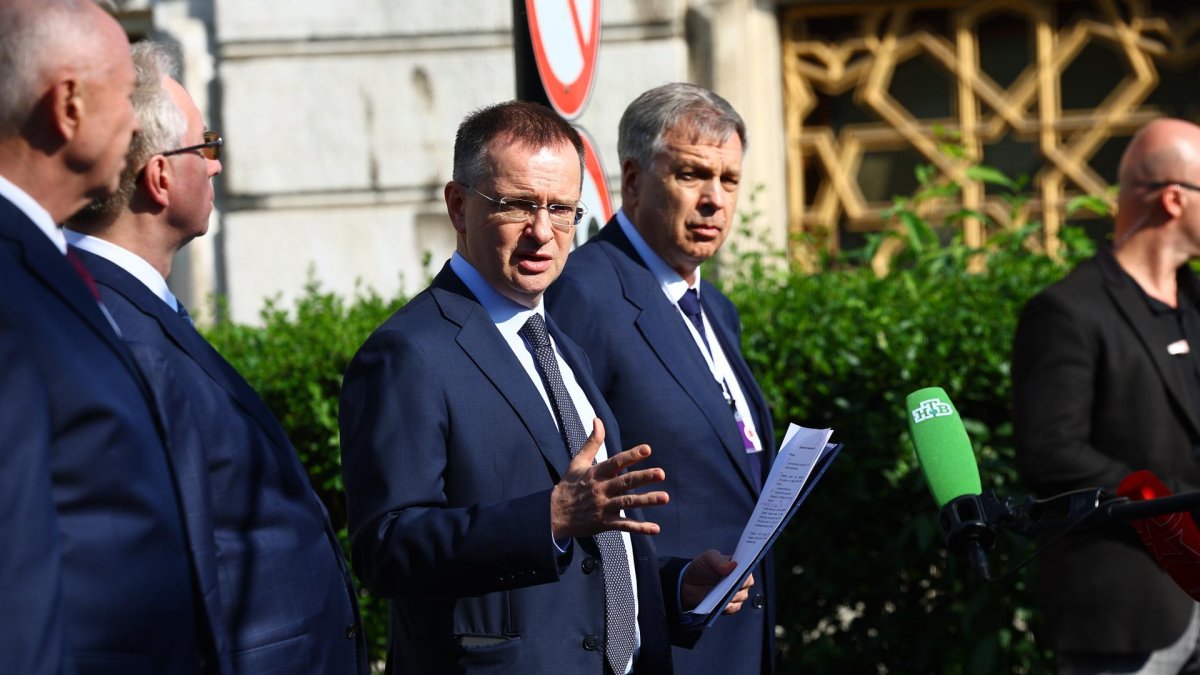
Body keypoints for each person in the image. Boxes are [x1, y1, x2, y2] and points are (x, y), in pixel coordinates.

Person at [340, 100, 750, 674]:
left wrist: (676, 583)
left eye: (561, 210)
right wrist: (549, 518)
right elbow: (386, 549)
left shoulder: (556, 339)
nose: (542, 232)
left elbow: (590, 556)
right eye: (516, 205)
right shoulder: (408, 352)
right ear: (459, 207)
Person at [64, 42, 367, 674]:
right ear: (160, 177)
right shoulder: (118, 329)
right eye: (206, 147)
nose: (218, 166)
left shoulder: (133, 308)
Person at [0, 1, 213, 672]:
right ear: (67, 105)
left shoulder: (41, 263)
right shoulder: (13, 285)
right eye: (127, 95)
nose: (136, 120)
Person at [545, 82, 777, 674]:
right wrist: (673, 587)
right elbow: (569, 486)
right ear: (634, 178)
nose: (714, 201)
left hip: (736, 636)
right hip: (657, 641)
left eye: (729, 181)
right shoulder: (583, 293)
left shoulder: (716, 306)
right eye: (692, 175)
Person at [1014, 118, 1200, 674]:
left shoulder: (1196, 302)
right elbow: (1051, 453)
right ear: (1174, 200)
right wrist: (1169, 511)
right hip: (1129, 610)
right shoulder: (1068, 311)